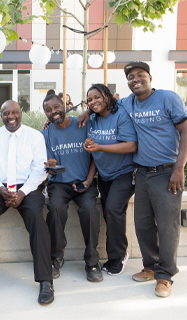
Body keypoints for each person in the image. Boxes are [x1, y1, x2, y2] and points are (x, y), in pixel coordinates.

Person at [77, 61, 187, 298]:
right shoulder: (128, 103)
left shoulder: (168, 98)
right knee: (144, 224)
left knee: (167, 227)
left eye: (140, 75)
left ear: (150, 77)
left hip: (167, 171)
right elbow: (104, 102)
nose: (135, 80)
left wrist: (180, 167)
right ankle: (150, 266)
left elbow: (185, 129)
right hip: (143, 172)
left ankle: (165, 276)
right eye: (131, 77)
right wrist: (87, 110)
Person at [0, 100, 54, 305]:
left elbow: (40, 170)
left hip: (28, 188)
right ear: (1, 115)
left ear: (21, 113)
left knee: (37, 221)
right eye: (6, 113)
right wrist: (1, 190)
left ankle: (45, 282)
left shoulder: (35, 136)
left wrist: (22, 193)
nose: (11, 116)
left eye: (14, 112)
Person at [41, 94, 102, 282]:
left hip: (85, 182)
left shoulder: (83, 124)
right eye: (48, 110)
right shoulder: (45, 133)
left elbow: (94, 156)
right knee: (56, 209)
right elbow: (44, 166)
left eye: (56, 107)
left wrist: (89, 180)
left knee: (90, 210)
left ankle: (92, 262)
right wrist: (49, 167)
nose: (53, 112)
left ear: (65, 106)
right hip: (59, 184)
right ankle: (56, 256)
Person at [84, 84, 137, 276]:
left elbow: (131, 145)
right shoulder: (92, 120)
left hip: (125, 172)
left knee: (113, 209)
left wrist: (99, 147)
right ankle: (115, 253)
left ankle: (118, 256)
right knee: (111, 213)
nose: (93, 101)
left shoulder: (120, 114)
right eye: (90, 99)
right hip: (104, 175)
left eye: (97, 97)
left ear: (107, 96)